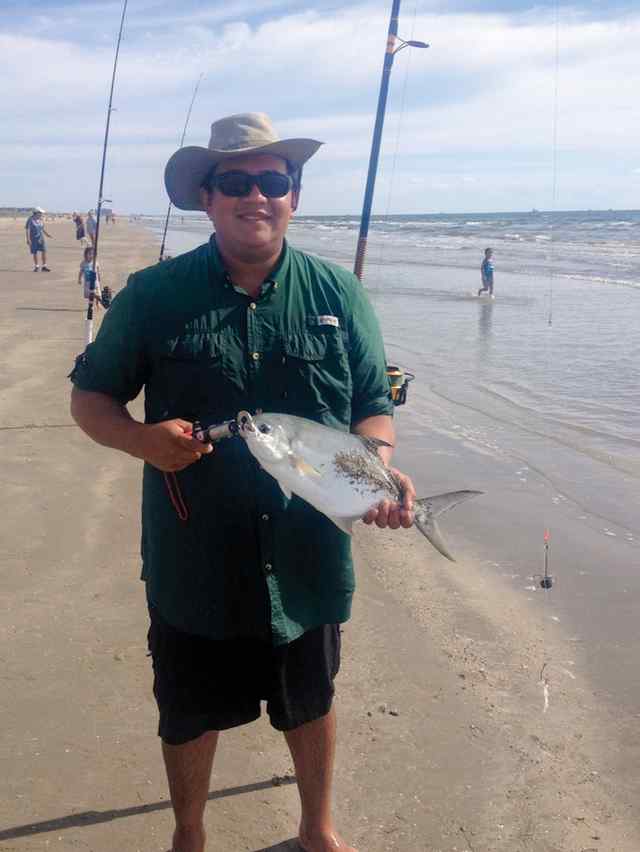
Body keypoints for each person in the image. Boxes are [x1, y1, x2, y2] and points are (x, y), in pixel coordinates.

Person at [69, 112, 416, 852]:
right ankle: (189, 834)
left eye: (273, 180)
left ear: (293, 193)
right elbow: (90, 398)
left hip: (307, 561)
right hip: (193, 558)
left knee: (311, 701)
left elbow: (372, 408)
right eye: (236, 181)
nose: (255, 196)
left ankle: (317, 831)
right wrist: (139, 440)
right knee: (189, 712)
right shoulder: (153, 295)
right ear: (206, 196)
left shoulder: (340, 295)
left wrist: (379, 470)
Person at [25, 207, 52, 271]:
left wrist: (47, 234)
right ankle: (36, 266)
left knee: (44, 251)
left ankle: (44, 266)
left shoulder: (40, 219)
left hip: (41, 238)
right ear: (36, 213)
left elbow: (42, 228)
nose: (41, 214)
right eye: (40, 213)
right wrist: (28, 239)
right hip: (33, 239)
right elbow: (27, 230)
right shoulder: (30, 219)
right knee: (35, 252)